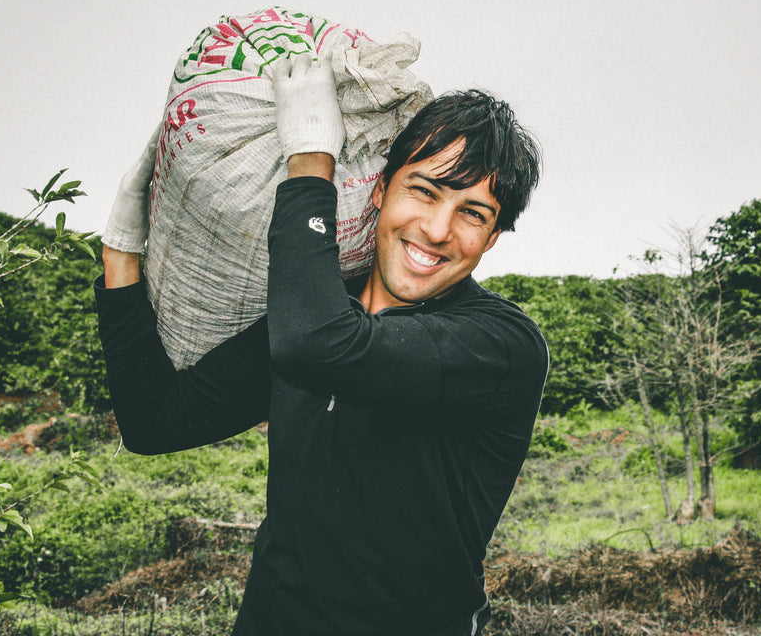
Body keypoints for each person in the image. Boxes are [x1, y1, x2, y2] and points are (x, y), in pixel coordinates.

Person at [95, 52, 547, 635]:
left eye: (473, 214)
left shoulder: (500, 344)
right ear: (381, 189)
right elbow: (152, 422)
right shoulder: (311, 320)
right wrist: (121, 253)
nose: (438, 230)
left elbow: (318, 344)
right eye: (426, 191)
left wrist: (310, 160)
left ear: (492, 238)